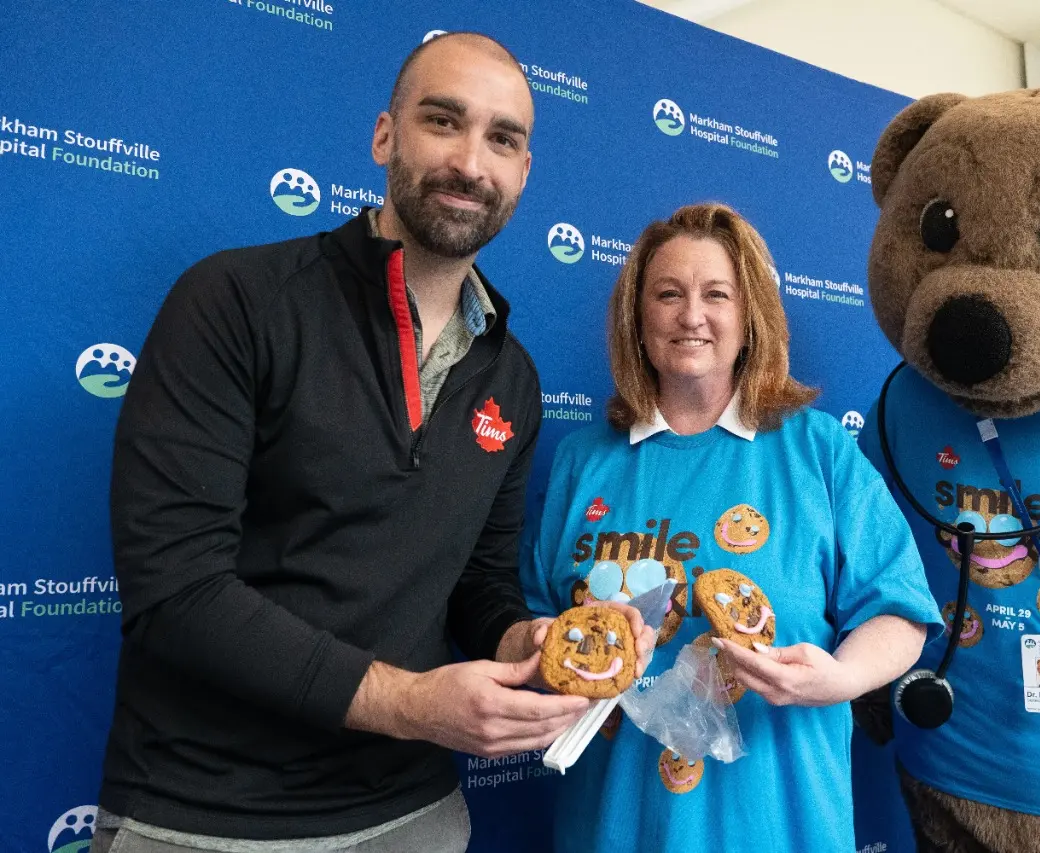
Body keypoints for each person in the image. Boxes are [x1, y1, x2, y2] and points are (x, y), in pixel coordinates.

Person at [91, 32, 647, 853]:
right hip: (202, 817)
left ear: (524, 173)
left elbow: (478, 585)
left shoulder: (512, 377)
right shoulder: (236, 301)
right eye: (442, 121)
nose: (470, 161)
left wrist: (523, 641)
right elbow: (175, 590)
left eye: (503, 138)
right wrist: (412, 703)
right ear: (385, 135)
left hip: (411, 815)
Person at [522, 202, 942, 853]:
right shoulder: (584, 461)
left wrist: (841, 677)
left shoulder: (819, 450)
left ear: (750, 319)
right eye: (668, 294)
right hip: (613, 827)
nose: (692, 315)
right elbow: (534, 623)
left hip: (785, 823)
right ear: (637, 317)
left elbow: (901, 612)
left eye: (717, 294)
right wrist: (548, 649)